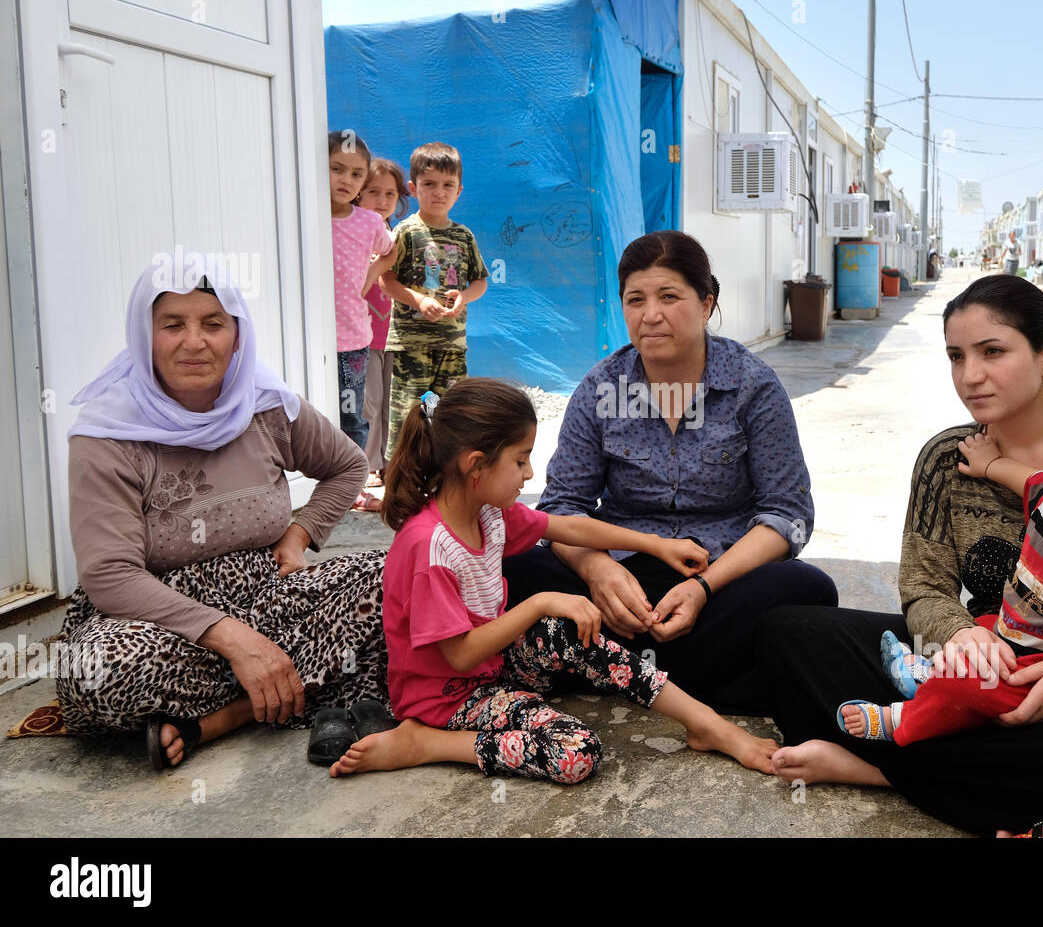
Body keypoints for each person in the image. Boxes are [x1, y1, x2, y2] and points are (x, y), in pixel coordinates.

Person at [755, 274, 1043, 836]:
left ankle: (882, 769)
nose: (971, 376)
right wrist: (960, 636)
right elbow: (923, 586)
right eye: (956, 356)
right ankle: (953, 774)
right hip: (983, 663)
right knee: (786, 634)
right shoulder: (949, 457)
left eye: (993, 351)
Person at [327, 380, 779, 782]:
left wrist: (655, 544)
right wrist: (541, 602)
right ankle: (424, 744)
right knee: (575, 753)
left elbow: (570, 527)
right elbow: (460, 656)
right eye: (521, 461)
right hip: (445, 699)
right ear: (475, 465)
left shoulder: (488, 513)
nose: (529, 474)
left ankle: (704, 722)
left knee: (571, 631)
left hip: (493, 669)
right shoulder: (430, 549)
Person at [57, 255, 387, 770]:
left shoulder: (267, 406)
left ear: (237, 334)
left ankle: (220, 718)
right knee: (97, 668)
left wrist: (300, 535)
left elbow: (346, 466)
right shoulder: (108, 434)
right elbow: (109, 574)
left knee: (395, 579)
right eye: (173, 325)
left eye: (213, 323)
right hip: (158, 618)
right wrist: (236, 641)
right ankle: (317, 687)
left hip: (271, 594)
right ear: (144, 335)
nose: (194, 341)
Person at [502, 231, 838, 715]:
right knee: (506, 572)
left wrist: (703, 589)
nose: (650, 315)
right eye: (635, 300)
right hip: (620, 575)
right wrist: (598, 570)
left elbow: (787, 514)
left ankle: (616, 671)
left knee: (808, 591)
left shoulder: (752, 386)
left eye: (669, 297)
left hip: (720, 577)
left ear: (706, 304)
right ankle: (705, 682)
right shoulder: (600, 389)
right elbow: (560, 508)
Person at [838, 393, 1043, 746]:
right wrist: (990, 464)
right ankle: (931, 672)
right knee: (970, 636)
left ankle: (901, 719)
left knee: (968, 684)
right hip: (1005, 631)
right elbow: (1026, 480)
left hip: (1042, 672)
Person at [380, 141, 488, 463]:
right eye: (429, 184)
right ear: (413, 188)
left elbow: (480, 281)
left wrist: (463, 298)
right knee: (412, 411)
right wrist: (417, 301)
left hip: (452, 344)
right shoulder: (405, 232)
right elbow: (386, 279)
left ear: (459, 191)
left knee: (447, 409)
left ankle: (441, 470)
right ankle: (404, 473)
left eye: (447, 185)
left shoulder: (464, 236)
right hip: (411, 344)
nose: (438, 192)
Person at [329, 131, 397, 458]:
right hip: (312, 340)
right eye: (337, 169)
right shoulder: (306, 215)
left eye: (356, 174)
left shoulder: (369, 223)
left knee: (353, 414)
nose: (347, 180)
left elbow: (391, 253)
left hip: (354, 341)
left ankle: (352, 477)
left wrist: (370, 275)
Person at [356, 157, 409, 510]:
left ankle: (391, 462)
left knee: (395, 401)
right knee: (369, 401)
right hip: (363, 335)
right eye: (373, 192)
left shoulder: (402, 235)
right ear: (358, 195)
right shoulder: (355, 233)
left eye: (390, 193)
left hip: (398, 335)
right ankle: (367, 464)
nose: (382, 199)